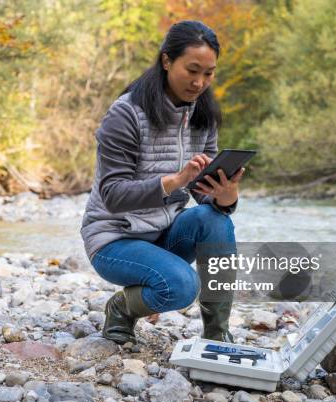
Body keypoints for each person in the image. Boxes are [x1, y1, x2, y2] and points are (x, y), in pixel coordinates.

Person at [80, 20, 245, 345]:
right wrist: (175, 180)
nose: (200, 82)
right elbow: (112, 196)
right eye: (192, 70)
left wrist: (226, 196)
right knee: (182, 286)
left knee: (215, 220)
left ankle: (217, 335)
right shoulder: (125, 114)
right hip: (114, 239)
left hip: (165, 234)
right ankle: (122, 308)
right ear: (167, 61)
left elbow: (203, 193)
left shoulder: (204, 114)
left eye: (209, 73)